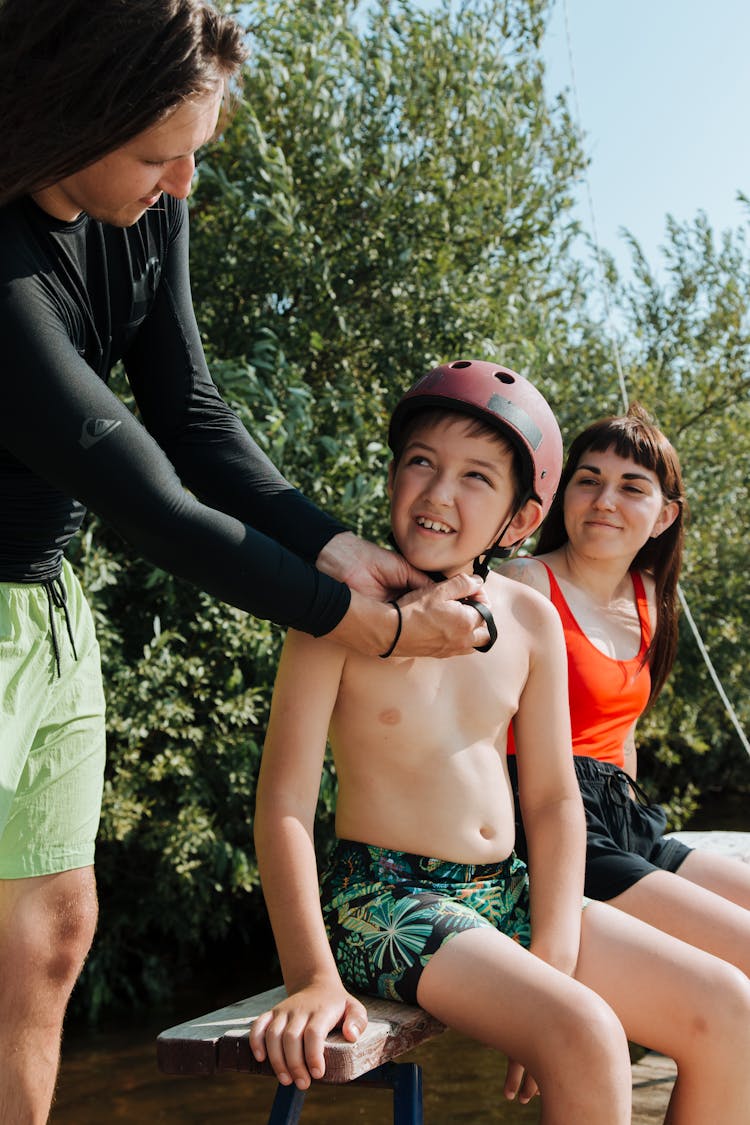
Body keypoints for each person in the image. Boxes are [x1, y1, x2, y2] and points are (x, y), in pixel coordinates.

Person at [0, 5, 490, 1121]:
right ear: (69, 113)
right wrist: (362, 622)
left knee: (53, 931)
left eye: (197, 152)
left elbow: (192, 413)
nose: (181, 184)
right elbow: (148, 501)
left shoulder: (147, 208)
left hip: (50, 617)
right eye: (157, 154)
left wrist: (340, 549)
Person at [250, 360, 750, 1125]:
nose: (440, 491)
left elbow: (551, 800)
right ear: (392, 477)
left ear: (518, 519)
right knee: (589, 1033)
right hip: (385, 898)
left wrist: (550, 958)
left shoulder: (528, 619)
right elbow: (283, 802)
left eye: (477, 477)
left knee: (729, 1008)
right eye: (421, 461)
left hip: (506, 891)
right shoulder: (339, 618)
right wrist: (311, 974)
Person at [503, 403, 750, 978]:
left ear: (664, 517)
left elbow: (624, 737)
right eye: (588, 480)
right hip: (542, 816)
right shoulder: (522, 584)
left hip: (624, 814)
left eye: (631, 487)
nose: (604, 500)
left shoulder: (649, 597)